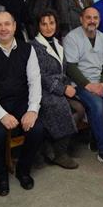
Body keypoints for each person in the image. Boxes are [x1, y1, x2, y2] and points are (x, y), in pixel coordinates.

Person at [0, 11, 44, 196]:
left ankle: (23, 170)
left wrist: (32, 110)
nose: (3, 28)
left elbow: (35, 81)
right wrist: (2, 115)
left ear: (14, 26)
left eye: (7, 24)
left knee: (37, 129)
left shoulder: (28, 50)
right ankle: (1, 175)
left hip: (21, 102)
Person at [64, 7, 103, 169]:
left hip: (99, 82)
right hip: (80, 83)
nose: (92, 21)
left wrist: (102, 84)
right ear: (81, 19)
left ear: (99, 20)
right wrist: (88, 85)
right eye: (88, 17)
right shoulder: (72, 38)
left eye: (95, 18)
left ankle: (95, 136)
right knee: (97, 105)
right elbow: (71, 67)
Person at [30, 10, 83, 169]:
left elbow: (62, 70)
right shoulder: (34, 46)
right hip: (43, 90)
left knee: (80, 108)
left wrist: (69, 86)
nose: (48, 27)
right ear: (38, 26)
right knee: (61, 107)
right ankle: (58, 154)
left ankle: (54, 145)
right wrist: (63, 89)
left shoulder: (58, 42)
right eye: (44, 24)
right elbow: (41, 75)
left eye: (51, 23)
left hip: (61, 87)